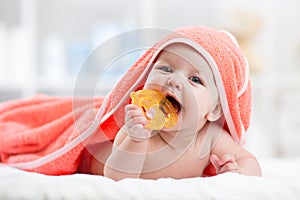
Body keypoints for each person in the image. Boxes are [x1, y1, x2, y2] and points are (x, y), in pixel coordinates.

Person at [80, 26, 262, 180]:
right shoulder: (138, 125)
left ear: (214, 110)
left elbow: (250, 162)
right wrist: (137, 139)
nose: (175, 81)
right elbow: (116, 177)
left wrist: (237, 171)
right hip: (88, 157)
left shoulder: (210, 138)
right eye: (166, 69)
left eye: (195, 80)